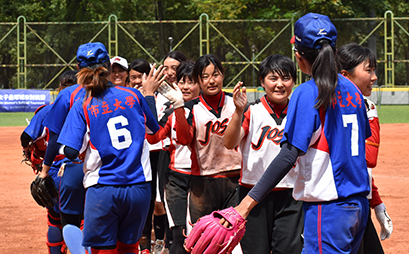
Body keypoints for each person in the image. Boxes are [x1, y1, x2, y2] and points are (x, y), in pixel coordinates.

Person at [225, 13, 372, 254]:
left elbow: (288, 155)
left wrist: (246, 204)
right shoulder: (352, 90)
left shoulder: (308, 92)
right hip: (357, 207)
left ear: (298, 55)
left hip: (329, 209)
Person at [56, 43, 164, 254]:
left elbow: (70, 151)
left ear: (79, 69)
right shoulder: (133, 96)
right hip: (139, 188)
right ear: (108, 66)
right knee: (128, 249)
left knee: (102, 251)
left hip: (103, 189)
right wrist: (149, 95)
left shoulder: (83, 104)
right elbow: (155, 133)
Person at [223, 54, 304, 254]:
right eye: (273, 78)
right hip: (253, 194)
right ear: (262, 81)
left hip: (290, 194)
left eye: (286, 78)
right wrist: (238, 111)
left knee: (288, 249)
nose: (279, 84)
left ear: (294, 81)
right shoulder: (252, 111)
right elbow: (229, 142)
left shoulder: (299, 112)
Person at [173, 54, 242, 225]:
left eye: (215, 74)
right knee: (202, 239)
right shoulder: (191, 108)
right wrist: (178, 106)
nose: (211, 81)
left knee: (234, 237)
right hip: (203, 181)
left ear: (223, 75)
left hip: (236, 178)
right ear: (198, 80)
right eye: (205, 76)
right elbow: (183, 139)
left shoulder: (237, 103)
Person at [338, 43, 393, 254]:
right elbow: (368, 158)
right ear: (345, 75)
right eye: (368, 70)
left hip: (357, 199)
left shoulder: (368, 106)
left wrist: (377, 204)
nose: (374, 77)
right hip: (336, 206)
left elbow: (364, 165)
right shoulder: (330, 107)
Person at [20, 70, 80, 254]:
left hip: (53, 169)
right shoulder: (86, 106)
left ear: (59, 88)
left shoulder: (47, 110)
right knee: (81, 219)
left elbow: (26, 136)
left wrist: (28, 151)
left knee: (54, 218)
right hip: (79, 168)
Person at [147, 60, 200, 254]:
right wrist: (148, 97)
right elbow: (153, 137)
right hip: (176, 179)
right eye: (181, 81)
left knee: (201, 235)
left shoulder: (205, 109)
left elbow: (187, 138)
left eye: (191, 81)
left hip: (202, 180)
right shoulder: (170, 113)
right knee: (178, 236)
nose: (185, 86)